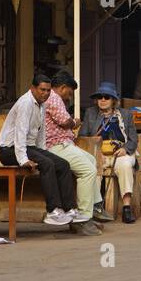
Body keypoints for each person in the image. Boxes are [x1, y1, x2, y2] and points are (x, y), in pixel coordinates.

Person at [0, 73, 74, 227]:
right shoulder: (26, 103)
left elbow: (41, 132)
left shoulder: (42, 103)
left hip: (29, 147)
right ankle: (53, 211)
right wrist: (23, 160)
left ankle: (69, 209)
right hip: (9, 150)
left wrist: (44, 152)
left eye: (48, 90)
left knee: (63, 164)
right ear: (32, 88)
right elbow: (20, 133)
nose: (45, 93)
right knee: (47, 164)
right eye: (42, 90)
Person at [45, 74, 106, 233]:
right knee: (88, 171)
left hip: (63, 144)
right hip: (57, 145)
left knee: (91, 160)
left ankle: (95, 206)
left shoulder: (52, 98)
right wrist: (75, 122)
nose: (70, 96)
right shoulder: (54, 97)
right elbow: (66, 122)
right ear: (63, 88)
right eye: (70, 92)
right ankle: (83, 217)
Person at [78, 81, 139, 224]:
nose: (103, 100)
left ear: (114, 100)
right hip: (99, 154)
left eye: (107, 97)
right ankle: (96, 208)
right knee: (92, 168)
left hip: (121, 153)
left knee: (125, 166)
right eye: (100, 97)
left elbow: (133, 139)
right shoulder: (90, 113)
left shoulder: (126, 114)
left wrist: (125, 149)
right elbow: (83, 136)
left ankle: (126, 208)